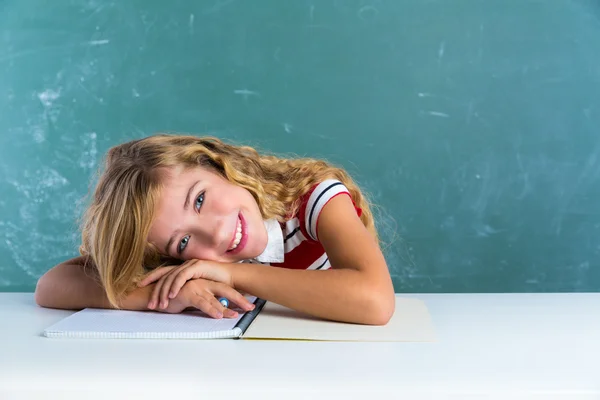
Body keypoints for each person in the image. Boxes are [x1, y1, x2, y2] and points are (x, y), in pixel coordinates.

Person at [35, 134, 395, 325]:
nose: (217, 235)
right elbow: (51, 287)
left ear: (218, 164)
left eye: (200, 200)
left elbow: (375, 302)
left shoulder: (314, 196)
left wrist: (233, 275)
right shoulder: (194, 261)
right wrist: (161, 298)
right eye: (184, 241)